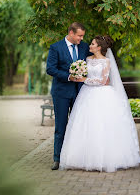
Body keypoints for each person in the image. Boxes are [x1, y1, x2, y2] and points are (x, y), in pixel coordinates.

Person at [59, 35, 140, 172]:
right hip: (87, 94)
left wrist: (83, 80)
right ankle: (84, 158)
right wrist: (80, 75)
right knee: (86, 125)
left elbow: (103, 81)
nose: (89, 46)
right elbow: (87, 74)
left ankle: (106, 159)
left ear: (99, 47)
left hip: (102, 94)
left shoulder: (106, 62)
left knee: (103, 125)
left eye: (92, 44)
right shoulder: (87, 59)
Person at [46, 22, 91, 170]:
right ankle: (57, 159)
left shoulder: (84, 47)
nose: (81, 38)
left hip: (80, 93)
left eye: (82, 36)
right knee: (61, 126)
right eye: (79, 35)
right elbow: (50, 69)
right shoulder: (55, 47)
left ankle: (77, 158)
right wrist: (68, 77)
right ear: (71, 33)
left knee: (79, 126)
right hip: (61, 93)